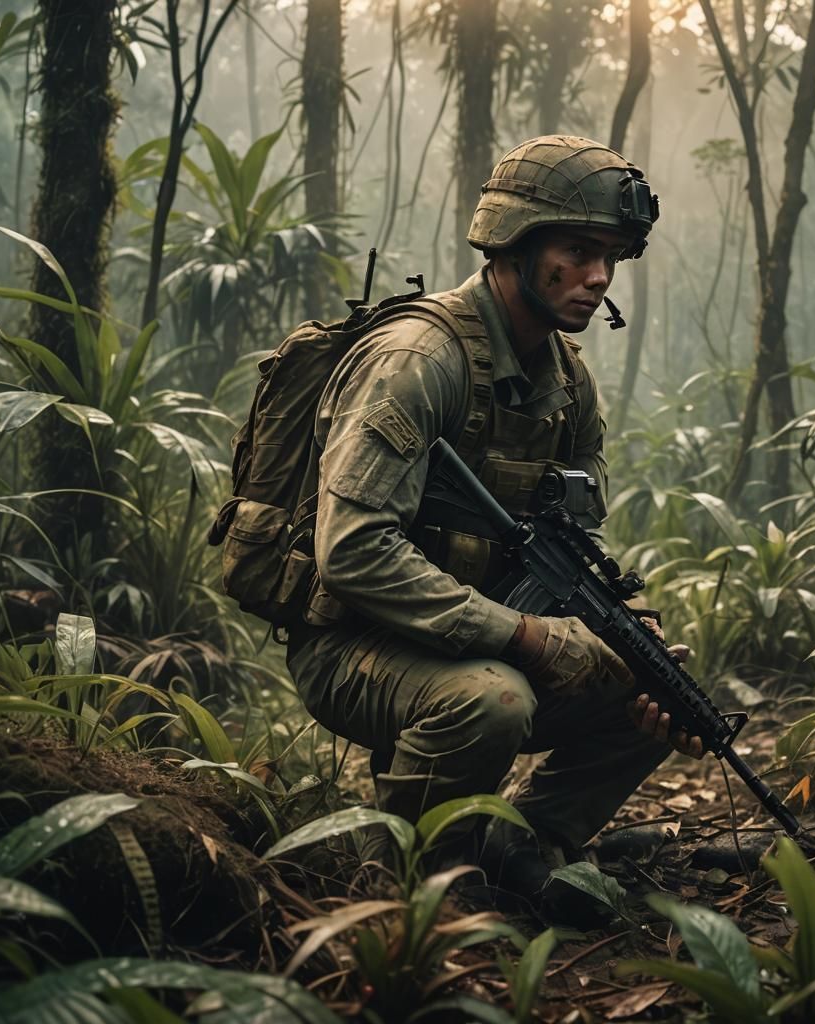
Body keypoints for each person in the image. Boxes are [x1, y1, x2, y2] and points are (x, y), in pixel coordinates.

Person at [284, 135, 702, 921]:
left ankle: (523, 847)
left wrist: (626, 635)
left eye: (610, 256)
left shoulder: (568, 384)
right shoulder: (420, 359)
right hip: (353, 639)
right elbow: (352, 551)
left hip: (484, 631)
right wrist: (532, 637)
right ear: (513, 242)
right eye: (577, 251)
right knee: (492, 700)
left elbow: (572, 549)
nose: (598, 277)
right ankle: (406, 886)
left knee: (656, 682)